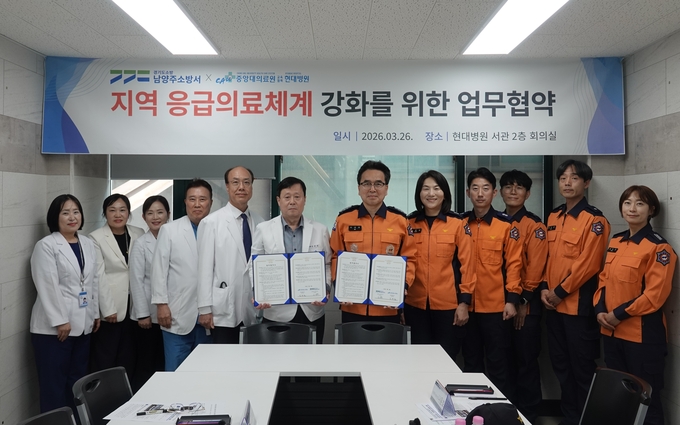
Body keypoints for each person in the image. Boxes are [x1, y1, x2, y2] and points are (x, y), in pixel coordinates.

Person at [594, 185, 676, 425]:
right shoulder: (616, 241)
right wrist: (600, 310)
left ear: (651, 210)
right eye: (628, 203)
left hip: (642, 339)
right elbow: (603, 280)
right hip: (611, 332)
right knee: (619, 398)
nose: (632, 208)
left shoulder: (659, 248)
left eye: (640, 204)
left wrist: (617, 314)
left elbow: (654, 296)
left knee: (646, 400)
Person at [540, 159, 610, 425]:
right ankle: (570, 418)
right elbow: (547, 258)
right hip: (553, 306)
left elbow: (588, 265)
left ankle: (586, 420)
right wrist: (545, 288)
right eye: (563, 178)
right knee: (561, 365)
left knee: (582, 369)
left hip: (578, 309)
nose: (567, 183)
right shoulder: (554, 217)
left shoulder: (595, 220)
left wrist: (559, 291)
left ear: (586, 183)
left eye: (574, 178)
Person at [30, 194, 99, 415]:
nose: (72, 217)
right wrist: (60, 320)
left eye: (76, 212)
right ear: (55, 217)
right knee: (54, 387)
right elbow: (47, 285)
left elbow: (93, 281)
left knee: (77, 385)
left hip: (83, 325)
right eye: (66, 213)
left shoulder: (87, 243)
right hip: (53, 331)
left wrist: (95, 313)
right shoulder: (46, 245)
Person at [461, 167, 522, 400]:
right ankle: (473, 410)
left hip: (496, 308)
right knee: (471, 363)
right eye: (475, 188)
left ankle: (500, 411)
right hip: (467, 308)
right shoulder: (460, 224)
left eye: (485, 188)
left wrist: (512, 301)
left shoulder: (506, 225)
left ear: (494, 193)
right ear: (468, 192)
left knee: (498, 364)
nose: (480, 193)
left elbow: (514, 265)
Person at [330, 160, 416, 323]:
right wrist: (339, 286)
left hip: (388, 307)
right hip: (352, 306)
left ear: (386, 188)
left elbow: (410, 258)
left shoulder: (400, 221)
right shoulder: (343, 220)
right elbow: (335, 256)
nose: (372, 189)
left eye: (378, 184)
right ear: (359, 188)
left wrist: (403, 286)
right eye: (366, 183)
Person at [405, 170, 475, 361]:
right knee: (418, 360)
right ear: (419, 193)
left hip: (448, 307)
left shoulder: (458, 224)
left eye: (436, 188)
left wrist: (464, 303)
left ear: (444, 193)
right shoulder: (409, 223)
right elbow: (404, 262)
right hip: (414, 305)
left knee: (446, 360)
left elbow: (467, 266)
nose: (431, 193)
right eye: (425, 189)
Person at [251, 177, 331, 344]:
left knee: (311, 358)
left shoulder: (320, 229)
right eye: (287, 197)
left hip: (311, 310)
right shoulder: (263, 229)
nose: (292, 202)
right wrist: (257, 292)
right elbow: (254, 266)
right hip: (276, 311)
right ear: (278, 200)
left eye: (297, 196)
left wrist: (326, 288)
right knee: (277, 357)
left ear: (304, 200)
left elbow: (327, 264)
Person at [499, 169, 548, 423]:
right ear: (500, 192)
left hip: (525, 305)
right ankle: (507, 414)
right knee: (504, 362)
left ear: (528, 193)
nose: (513, 191)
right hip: (499, 304)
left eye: (519, 187)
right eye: (508, 186)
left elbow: (536, 269)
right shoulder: (497, 222)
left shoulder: (534, 226)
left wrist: (522, 302)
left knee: (526, 361)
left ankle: (528, 416)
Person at [197, 166, 265, 343]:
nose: (241, 187)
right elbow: (204, 269)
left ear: (252, 187)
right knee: (225, 357)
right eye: (235, 182)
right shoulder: (211, 222)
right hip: (222, 310)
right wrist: (204, 309)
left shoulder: (260, 223)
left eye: (246, 182)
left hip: (252, 308)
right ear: (227, 187)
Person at [151, 179, 213, 370]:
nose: (197, 204)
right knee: (175, 370)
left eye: (202, 199)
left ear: (211, 202)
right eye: (192, 199)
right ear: (185, 202)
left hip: (209, 315)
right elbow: (158, 270)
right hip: (177, 312)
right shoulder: (169, 230)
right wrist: (161, 304)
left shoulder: (216, 228)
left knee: (204, 371)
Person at [88, 194, 145, 375]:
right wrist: (107, 308)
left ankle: (127, 391)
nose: (117, 214)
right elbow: (98, 275)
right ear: (105, 213)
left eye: (122, 210)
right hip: (112, 306)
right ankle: (105, 392)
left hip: (134, 304)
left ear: (129, 212)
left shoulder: (138, 233)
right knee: (106, 356)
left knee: (129, 355)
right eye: (112, 210)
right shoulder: (96, 237)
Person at [129, 195, 169, 389]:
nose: (155, 217)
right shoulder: (140, 243)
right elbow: (136, 280)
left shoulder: (172, 239)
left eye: (160, 212)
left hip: (169, 313)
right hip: (147, 317)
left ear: (168, 214)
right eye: (150, 213)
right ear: (144, 217)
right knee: (147, 363)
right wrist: (142, 314)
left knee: (163, 362)